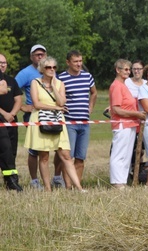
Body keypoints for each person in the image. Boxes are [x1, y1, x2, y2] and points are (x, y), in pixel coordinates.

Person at [24, 56, 84, 192]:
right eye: (48, 67)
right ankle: (47, 188)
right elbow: (36, 104)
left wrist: (54, 85)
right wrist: (55, 108)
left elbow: (62, 102)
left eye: (54, 67)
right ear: (42, 69)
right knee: (44, 156)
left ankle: (79, 188)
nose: (51, 69)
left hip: (58, 121)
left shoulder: (60, 84)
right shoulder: (35, 82)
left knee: (66, 155)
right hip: (41, 120)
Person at [57, 50, 97, 184]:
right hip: (69, 122)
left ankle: (77, 185)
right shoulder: (61, 78)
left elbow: (94, 93)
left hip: (84, 122)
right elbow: (56, 96)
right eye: (75, 61)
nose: (79, 64)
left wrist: (90, 108)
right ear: (68, 62)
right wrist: (60, 107)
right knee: (68, 156)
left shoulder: (87, 76)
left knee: (80, 157)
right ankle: (68, 186)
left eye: (80, 61)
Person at [108, 59, 146, 188]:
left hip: (130, 124)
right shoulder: (116, 86)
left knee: (127, 154)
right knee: (119, 154)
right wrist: (137, 114)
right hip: (122, 124)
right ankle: (116, 182)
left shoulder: (124, 85)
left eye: (129, 69)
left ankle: (122, 181)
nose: (128, 72)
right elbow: (117, 109)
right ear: (117, 70)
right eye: (125, 69)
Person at [15, 44, 47, 189]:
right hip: (33, 115)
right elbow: (12, 90)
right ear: (31, 57)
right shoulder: (25, 73)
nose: (40, 56)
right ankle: (34, 180)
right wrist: (22, 107)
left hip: (50, 115)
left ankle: (55, 178)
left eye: (42, 54)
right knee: (34, 150)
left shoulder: (50, 70)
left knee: (49, 149)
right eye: (37, 54)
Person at [0, 52, 24, 191]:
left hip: (11, 121)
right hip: (1, 119)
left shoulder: (11, 80)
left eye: (4, 63)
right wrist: (4, 114)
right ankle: (12, 181)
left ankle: (10, 180)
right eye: (0, 63)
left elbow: (18, 99)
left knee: (11, 151)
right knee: (5, 149)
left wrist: (12, 114)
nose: (2, 65)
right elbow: (2, 90)